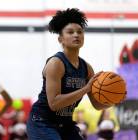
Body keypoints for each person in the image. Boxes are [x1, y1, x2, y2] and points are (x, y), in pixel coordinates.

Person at [27, 8, 110, 140]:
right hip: (42, 122)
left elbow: (97, 104)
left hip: (65, 124)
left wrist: (114, 99)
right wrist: (85, 89)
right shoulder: (56, 63)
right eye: (70, 32)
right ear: (61, 39)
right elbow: (54, 103)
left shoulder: (87, 68)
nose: (76, 35)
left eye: (80, 32)